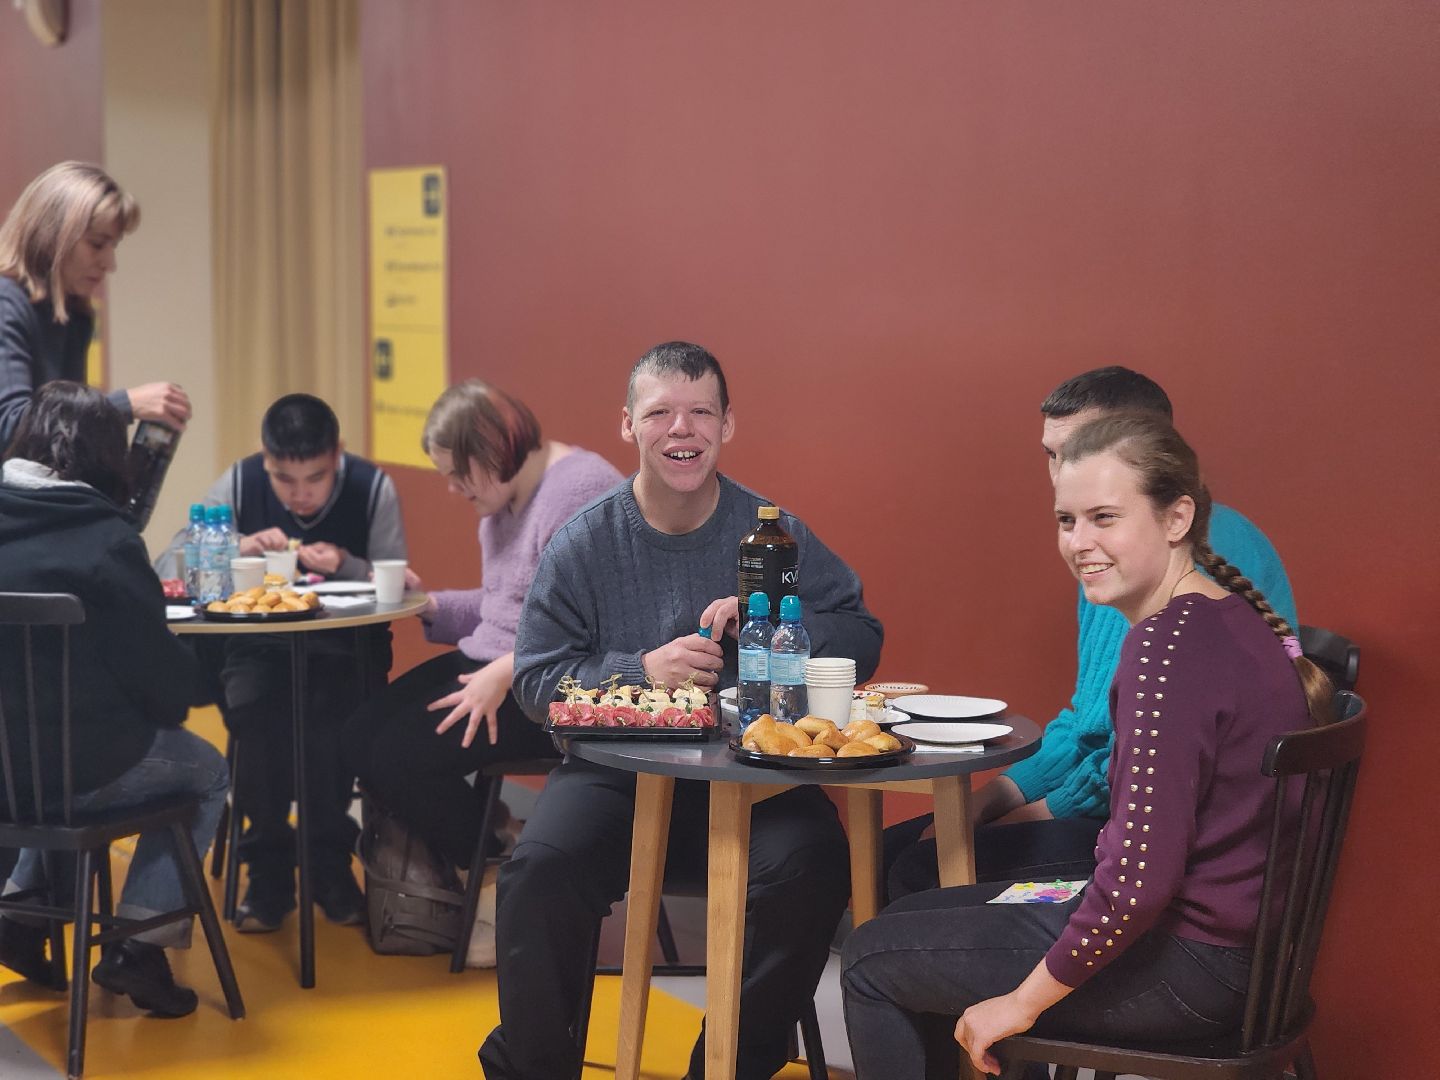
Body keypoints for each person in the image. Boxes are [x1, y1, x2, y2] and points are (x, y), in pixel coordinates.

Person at [841, 412, 1333, 1079]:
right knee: (919, 907)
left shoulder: (1165, 650)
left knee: (871, 960)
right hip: (1241, 955)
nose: (1079, 543)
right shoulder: (1230, 620)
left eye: (1105, 517)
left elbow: (1137, 884)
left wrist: (1020, 1002)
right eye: (1066, 521)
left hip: (1190, 967)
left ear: (1176, 517)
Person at [481, 342, 884, 1079]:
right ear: (627, 427)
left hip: (754, 775)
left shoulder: (772, 531)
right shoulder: (584, 542)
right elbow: (537, 681)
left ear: (728, 426)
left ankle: (728, 1065)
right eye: (660, 412)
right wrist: (644, 669)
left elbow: (862, 634)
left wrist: (774, 617)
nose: (682, 429)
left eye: (701, 412)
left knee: (816, 866)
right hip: (616, 778)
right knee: (537, 871)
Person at [884, 366, 1298, 899]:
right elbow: (1087, 722)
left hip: (1171, 843)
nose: (1061, 473)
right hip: (1118, 806)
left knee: (920, 868)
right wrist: (993, 799)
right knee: (895, 849)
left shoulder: (1188, 565)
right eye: (1051, 455)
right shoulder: (1103, 557)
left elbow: (1141, 760)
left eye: (1080, 450)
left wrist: (1027, 815)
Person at [0, 381, 228, 1017]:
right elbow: (160, 683)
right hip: (84, 770)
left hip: (3, 774)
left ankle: (20, 917)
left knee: (45, 768)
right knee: (206, 771)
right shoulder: (106, 540)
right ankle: (139, 950)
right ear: (109, 454)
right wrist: (201, 683)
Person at [345, 379, 622, 876]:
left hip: (546, 685)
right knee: (359, 735)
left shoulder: (580, 489)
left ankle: (494, 870)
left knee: (397, 758)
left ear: (493, 450)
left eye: (457, 475)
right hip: (497, 668)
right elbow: (506, 607)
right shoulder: (502, 501)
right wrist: (426, 605)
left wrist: (507, 671)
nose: (453, 490)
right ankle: (495, 836)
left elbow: (598, 628)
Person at [158, 393, 406, 932]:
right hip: (255, 648)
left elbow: (395, 579)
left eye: (313, 479)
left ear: (337, 455)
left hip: (345, 648)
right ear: (263, 458)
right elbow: (169, 563)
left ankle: (327, 864)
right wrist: (234, 544)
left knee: (331, 726)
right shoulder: (240, 482)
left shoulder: (372, 487)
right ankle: (267, 869)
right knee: (257, 721)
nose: (299, 496)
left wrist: (347, 563)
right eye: (283, 480)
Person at [0, 161, 190, 447]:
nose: (110, 264)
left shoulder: (76, 315)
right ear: (52, 235)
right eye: (97, 244)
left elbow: (60, 442)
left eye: (114, 246)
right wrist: (123, 405)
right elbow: (11, 426)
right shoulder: (6, 303)